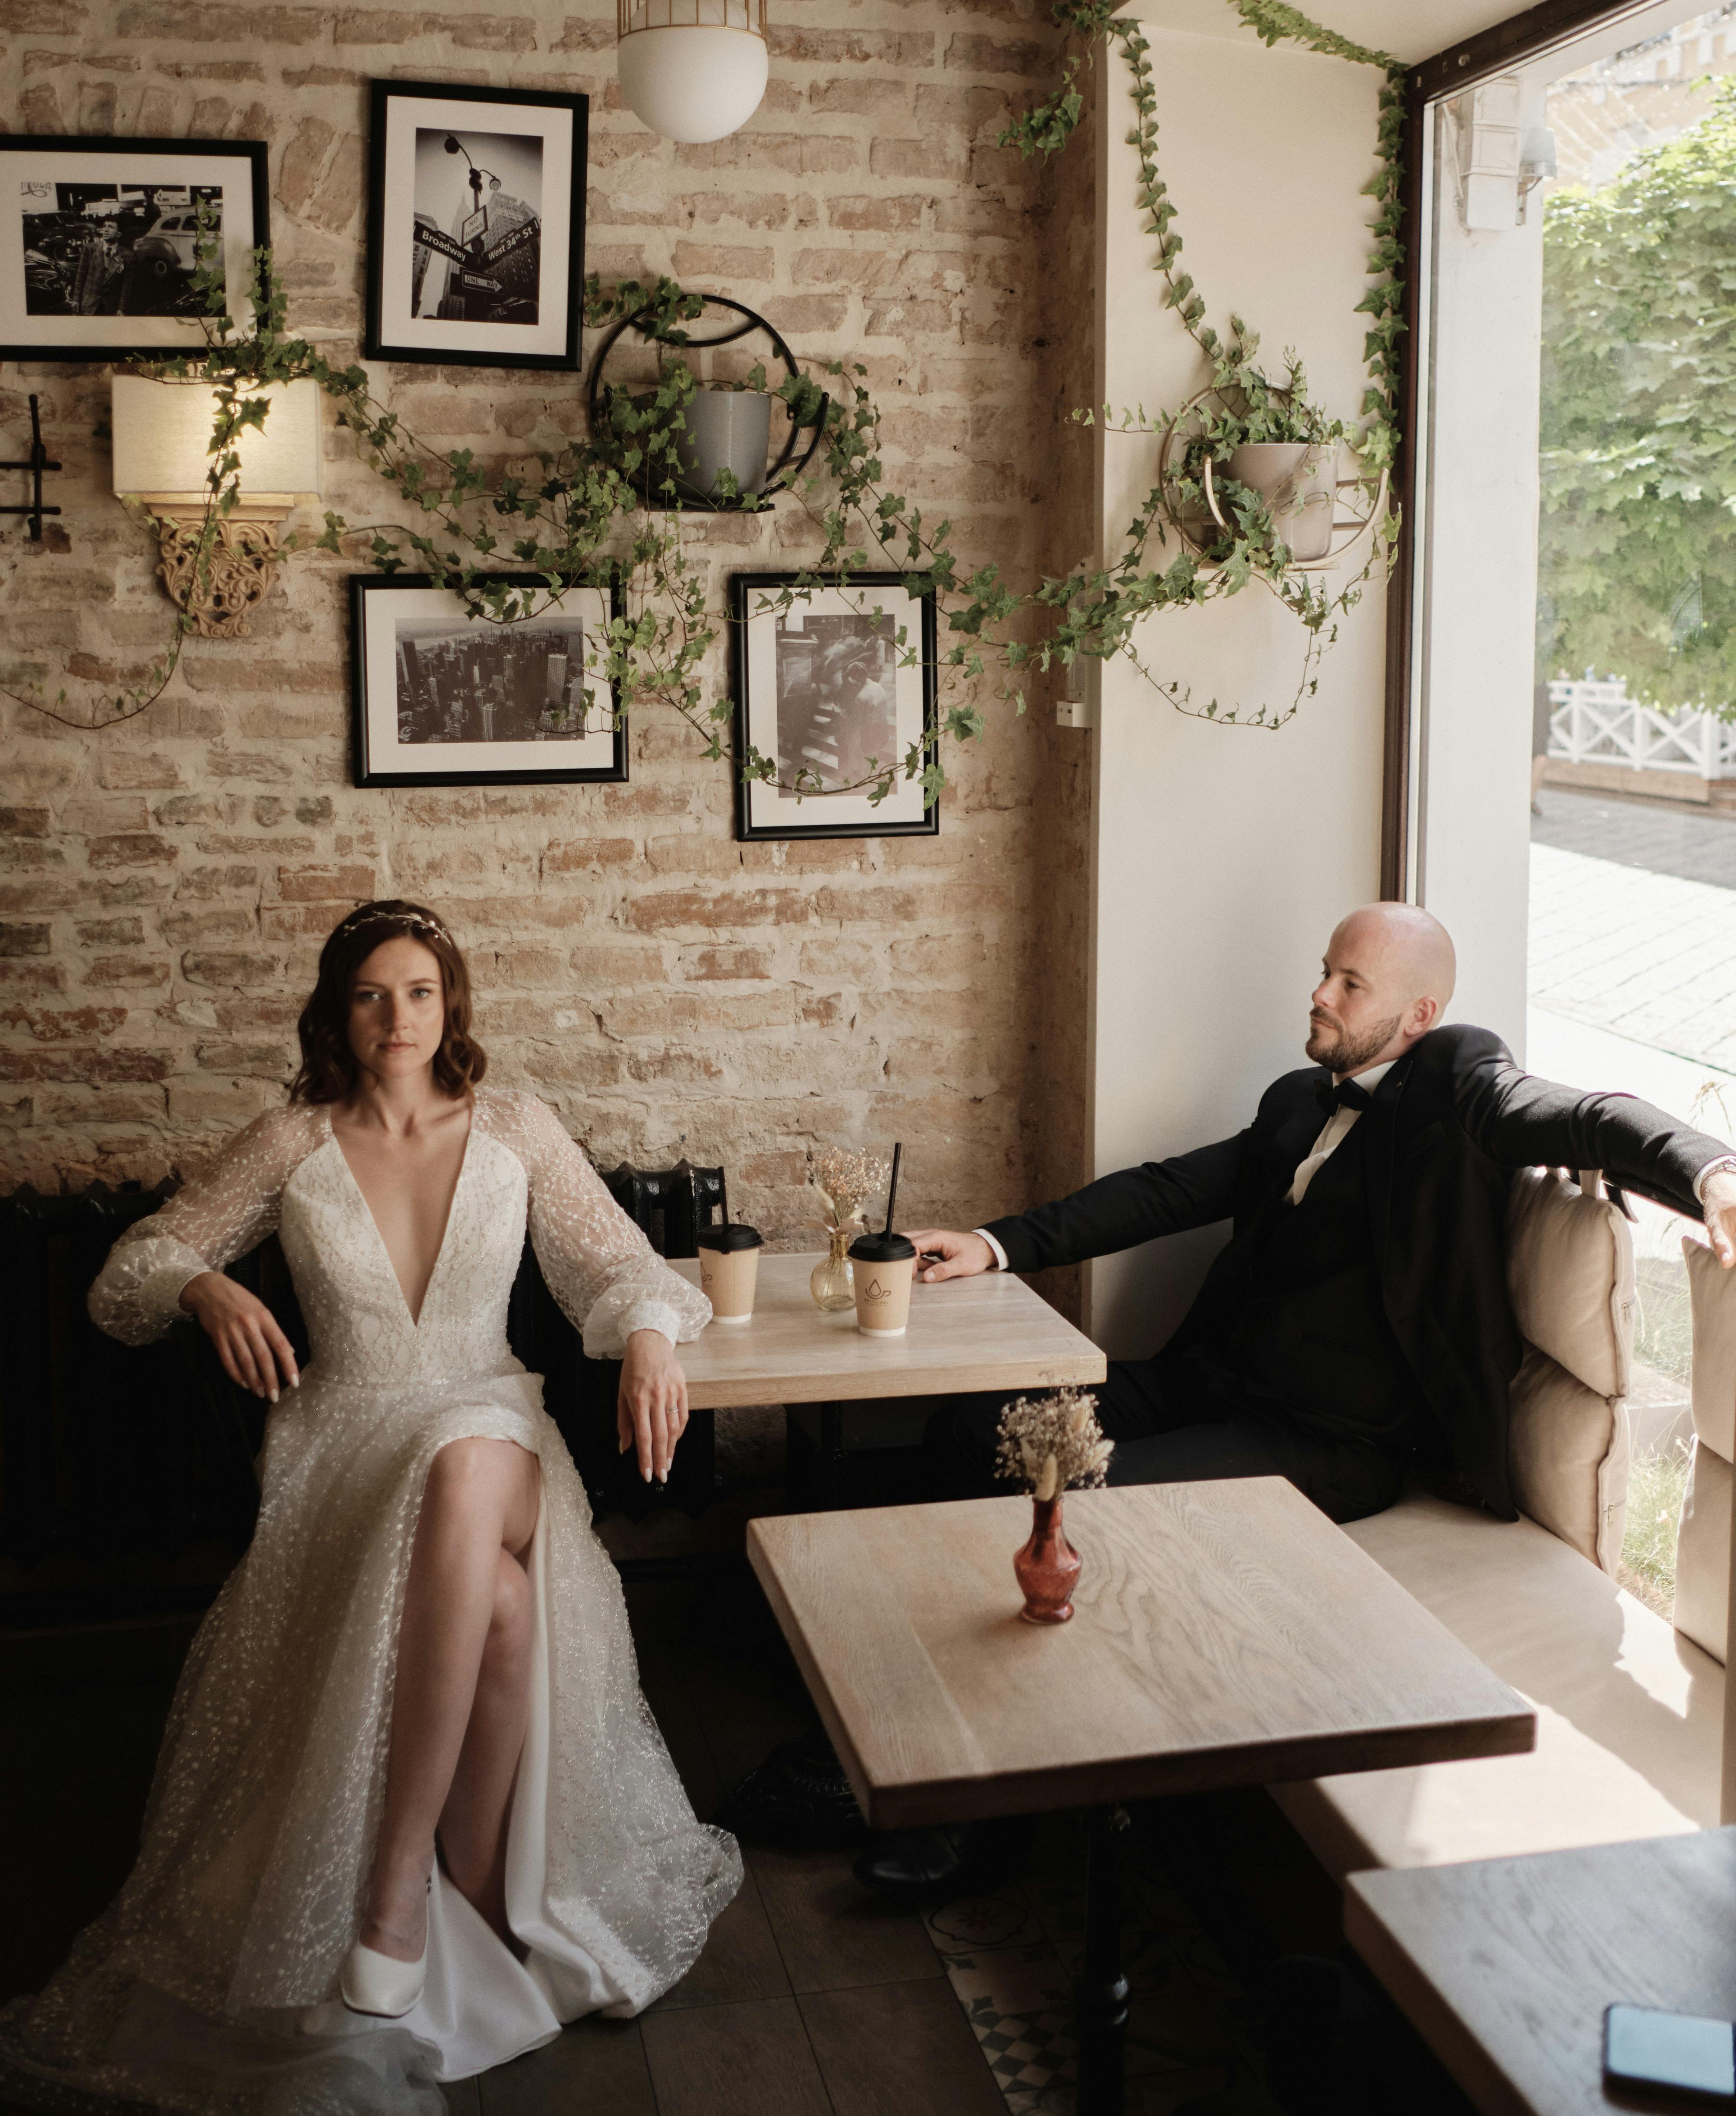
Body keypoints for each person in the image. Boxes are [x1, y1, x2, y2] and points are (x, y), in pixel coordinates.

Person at [0, 899, 738, 2114]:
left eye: (421, 992)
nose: (400, 1017)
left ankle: (394, 1894)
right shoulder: (290, 1141)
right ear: (336, 1013)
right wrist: (202, 1287)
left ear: (453, 1005)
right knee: (498, 1604)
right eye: (371, 994)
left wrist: (653, 1334)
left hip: (492, 1424)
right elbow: (126, 1277)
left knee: (462, 1461)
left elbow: (618, 1265)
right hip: (341, 1446)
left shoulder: (515, 1127)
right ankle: (485, 1884)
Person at [857, 900, 1736, 1902]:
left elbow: (1588, 1118)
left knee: (1076, 1510)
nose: (1318, 994)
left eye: (1349, 984)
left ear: (1418, 1016)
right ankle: (900, 1717)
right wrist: (994, 1243)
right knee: (969, 1430)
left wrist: (1710, 1176)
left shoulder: (1456, 1083)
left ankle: (984, 1813)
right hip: (1206, 1385)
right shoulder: (1294, 1102)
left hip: (1328, 1441)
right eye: (1325, 971)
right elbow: (1164, 1190)